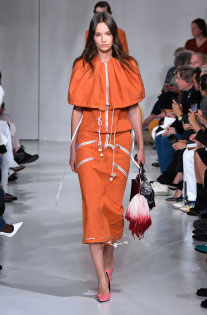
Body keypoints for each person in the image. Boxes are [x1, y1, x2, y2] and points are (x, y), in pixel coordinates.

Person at [68, 12, 145, 302]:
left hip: (120, 142)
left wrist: (140, 144)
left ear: (115, 36)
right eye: (98, 34)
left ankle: (109, 255)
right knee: (92, 205)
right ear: (92, 36)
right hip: (88, 140)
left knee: (113, 208)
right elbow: (77, 108)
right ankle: (101, 276)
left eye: (107, 34)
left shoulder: (128, 66)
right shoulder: (81, 66)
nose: (102, 39)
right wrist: (72, 146)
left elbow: (134, 108)